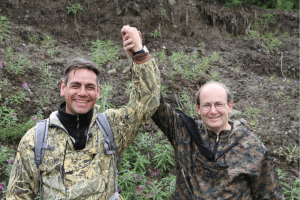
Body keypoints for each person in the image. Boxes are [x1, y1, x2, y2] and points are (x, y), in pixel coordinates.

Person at [6, 25, 161, 200]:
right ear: (63, 88)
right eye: (75, 85)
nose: (82, 93)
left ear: (98, 91)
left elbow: (147, 103)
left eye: (89, 87)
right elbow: (18, 196)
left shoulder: (112, 127)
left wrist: (139, 54)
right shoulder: (36, 140)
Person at [151, 81, 284, 199]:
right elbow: (153, 100)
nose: (213, 111)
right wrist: (141, 58)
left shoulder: (252, 146)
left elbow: (270, 194)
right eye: (207, 105)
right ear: (198, 108)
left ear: (230, 106)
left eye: (219, 104)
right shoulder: (184, 132)